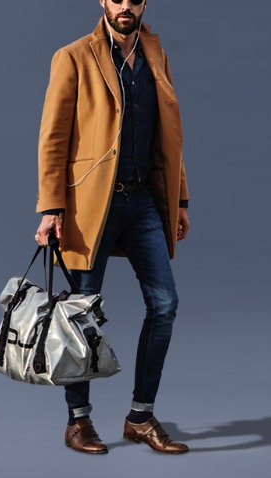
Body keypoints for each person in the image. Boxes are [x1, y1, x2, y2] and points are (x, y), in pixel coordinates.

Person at [34, 0, 190, 454]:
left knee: (165, 303)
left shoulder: (156, 55)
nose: (125, 6)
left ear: (144, 3)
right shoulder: (73, 56)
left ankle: (140, 417)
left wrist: (179, 198)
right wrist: (51, 208)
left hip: (143, 202)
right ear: (103, 1)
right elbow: (53, 137)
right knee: (80, 313)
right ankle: (78, 420)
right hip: (89, 206)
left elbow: (171, 134)